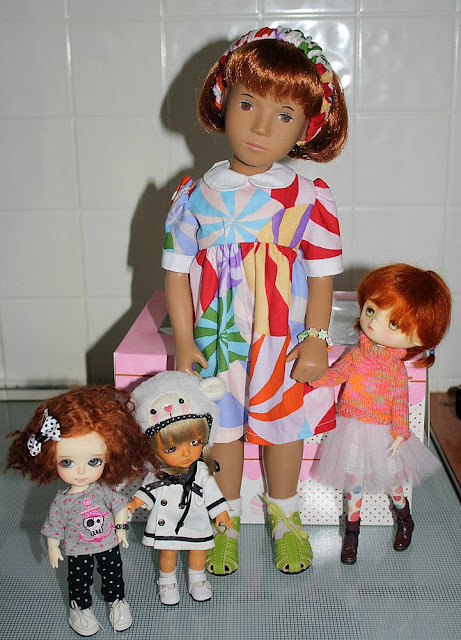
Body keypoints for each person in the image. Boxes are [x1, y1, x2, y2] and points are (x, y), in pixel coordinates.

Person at [162, 25, 348, 575]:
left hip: (281, 338)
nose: (262, 127)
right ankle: (225, 521)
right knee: (222, 429)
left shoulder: (310, 198)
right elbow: (176, 274)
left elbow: (321, 278)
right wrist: (185, 341)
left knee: (282, 427)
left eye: (284, 115)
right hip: (218, 338)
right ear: (223, 102)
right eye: (248, 104)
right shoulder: (194, 196)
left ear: (307, 127)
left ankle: (285, 516)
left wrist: (315, 340)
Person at [310, 264, 451, 564]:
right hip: (351, 426)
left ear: (419, 337)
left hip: (382, 433)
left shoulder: (396, 370)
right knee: (354, 481)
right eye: (371, 310)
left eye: (394, 323)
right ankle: (352, 534)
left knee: (393, 480)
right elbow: (337, 374)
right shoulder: (357, 354)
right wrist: (315, 377)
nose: (374, 322)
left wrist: (400, 432)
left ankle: (404, 519)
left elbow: (400, 402)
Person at [5, 385, 147, 636]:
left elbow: (119, 505)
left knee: (113, 575)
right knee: (79, 581)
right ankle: (80, 608)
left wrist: (121, 528)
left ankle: (117, 601)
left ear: (109, 456)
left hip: (108, 543)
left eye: (93, 461)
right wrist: (52, 547)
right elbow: (53, 526)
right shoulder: (62, 502)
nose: (81, 471)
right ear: (51, 460)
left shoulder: (102, 491)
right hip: (76, 548)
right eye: (67, 462)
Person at [127, 371, 232, 605]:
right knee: (168, 551)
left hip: (195, 518)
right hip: (168, 521)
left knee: (198, 550)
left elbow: (212, 494)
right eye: (171, 448)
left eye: (194, 442)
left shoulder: (201, 470)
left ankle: (198, 580)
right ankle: (167, 581)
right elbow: (149, 490)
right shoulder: (159, 473)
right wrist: (135, 502)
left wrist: (221, 512)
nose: (186, 453)